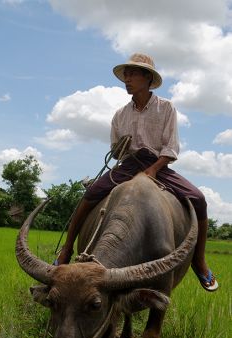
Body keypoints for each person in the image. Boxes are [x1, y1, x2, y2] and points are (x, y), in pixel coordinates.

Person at [55, 53, 218, 292]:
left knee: (199, 199)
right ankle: (67, 249)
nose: (127, 79)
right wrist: (120, 149)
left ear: (147, 78)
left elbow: (170, 148)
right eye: (126, 75)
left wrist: (153, 170)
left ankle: (199, 261)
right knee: (90, 194)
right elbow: (117, 152)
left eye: (132, 74)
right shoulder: (120, 114)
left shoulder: (166, 108)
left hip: (158, 165)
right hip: (129, 164)